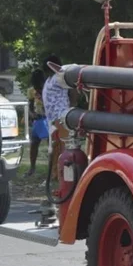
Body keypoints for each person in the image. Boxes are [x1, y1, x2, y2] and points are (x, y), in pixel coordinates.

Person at [40, 56, 75, 186]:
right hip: (52, 120)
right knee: (54, 149)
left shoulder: (60, 77)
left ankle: (65, 177)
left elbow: (73, 88)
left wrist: (72, 106)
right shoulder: (49, 80)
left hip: (61, 118)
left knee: (63, 149)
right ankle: (55, 175)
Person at [25, 69, 48, 176]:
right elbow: (30, 106)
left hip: (48, 119)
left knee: (51, 145)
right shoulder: (31, 91)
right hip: (38, 120)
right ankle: (32, 168)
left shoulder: (48, 90)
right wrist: (31, 114)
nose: (37, 88)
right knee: (34, 143)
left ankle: (52, 169)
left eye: (39, 85)